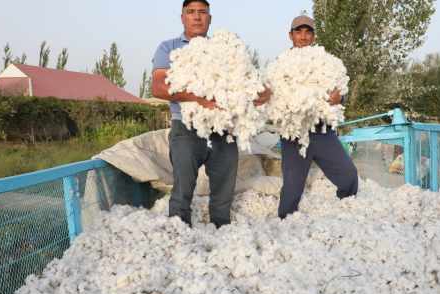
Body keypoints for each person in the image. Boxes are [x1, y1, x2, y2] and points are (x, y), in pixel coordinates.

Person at [151, 0, 270, 228]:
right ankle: (179, 235)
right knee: (183, 189)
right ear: (182, 17)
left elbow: (250, 85)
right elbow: (158, 87)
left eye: (202, 12)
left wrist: (257, 93)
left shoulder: (225, 50)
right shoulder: (169, 48)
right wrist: (198, 99)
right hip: (186, 128)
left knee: (224, 192)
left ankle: (221, 233)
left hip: (223, 131)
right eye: (191, 12)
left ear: (210, 18)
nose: (197, 17)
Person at [277, 15, 359, 219]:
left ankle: (348, 210)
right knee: (292, 187)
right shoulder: (280, 65)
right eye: (299, 32)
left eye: (308, 32)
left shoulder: (327, 62)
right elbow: (272, 97)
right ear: (291, 35)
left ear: (313, 36)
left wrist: (340, 97)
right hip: (295, 134)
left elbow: (341, 91)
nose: (303, 37)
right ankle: (286, 223)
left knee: (348, 175)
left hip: (322, 131)